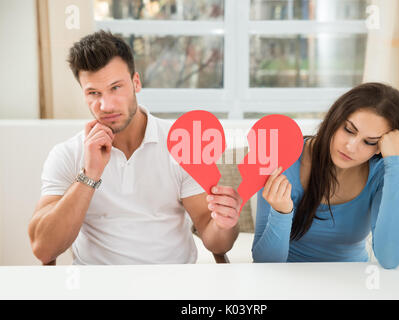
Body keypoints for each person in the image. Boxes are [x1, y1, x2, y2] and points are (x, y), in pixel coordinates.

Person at [28, 30, 241, 265]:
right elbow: (43, 248)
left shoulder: (180, 144)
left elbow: (216, 241)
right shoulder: (67, 154)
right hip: (95, 287)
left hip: (173, 284)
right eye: (93, 93)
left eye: (116, 88)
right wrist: (89, 175)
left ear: (136, 82)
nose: (106, 105)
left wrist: (224, 223)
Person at [252, 82, 399, 269]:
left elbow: (390, 259)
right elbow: (264, 264)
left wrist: (396, 164)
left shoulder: (381, 174)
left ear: (380, 147)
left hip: (350, 283)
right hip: (287, 282)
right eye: (349, 130)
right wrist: (281, 212)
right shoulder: (283, 158)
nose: (351, 147)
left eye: (369, 142)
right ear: (335, 119)